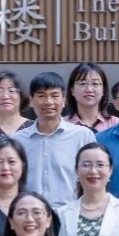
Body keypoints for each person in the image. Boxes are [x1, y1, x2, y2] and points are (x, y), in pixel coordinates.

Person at [17, 72, 96, 209]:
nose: (49, 102)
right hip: (30, 215)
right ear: (31, 100)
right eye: (41, 96)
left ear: (64, 100)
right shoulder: (18, 140)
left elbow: (94, 178)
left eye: (54, 96)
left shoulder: (83, 136)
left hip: (70, 214)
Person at [58, 142, 119, 236]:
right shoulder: (62, 214)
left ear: (110, 170)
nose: (93, 171)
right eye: (86, 165)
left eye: (100, 165)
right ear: (76, 170)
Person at [63, 62, 117, 132]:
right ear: (72, 90)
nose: (89, 89)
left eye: (95, 83)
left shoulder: (115, 124)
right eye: (82, 83)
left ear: (103, 90)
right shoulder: (62, 125)